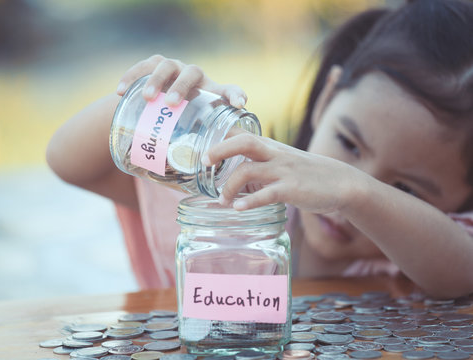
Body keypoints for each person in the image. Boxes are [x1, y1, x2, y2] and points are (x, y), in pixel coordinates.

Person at [47, 0, 473, 298]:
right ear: (326, 100)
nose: (344, 196)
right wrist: (151, 104)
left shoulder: (423, 256)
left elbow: (462, 271)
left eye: (406, 190)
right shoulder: (232, 191)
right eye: (348, 143)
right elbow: (68, 162)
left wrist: (354, 189)